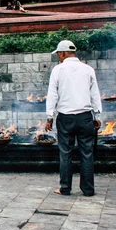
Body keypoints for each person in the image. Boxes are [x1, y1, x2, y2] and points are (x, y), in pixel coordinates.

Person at [45, 40, 102, 197]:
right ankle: (88, 189)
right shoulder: (88, 69)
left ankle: (65, 188)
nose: (58, 56)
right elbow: (95, 94)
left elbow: (52, 94)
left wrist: (49, 117)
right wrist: (97, 115)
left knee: (65, 153)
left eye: (58, 54)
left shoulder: (58, 70)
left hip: (65, 118)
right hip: (85, 117)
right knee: (87, 153)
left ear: (63, 53)